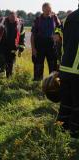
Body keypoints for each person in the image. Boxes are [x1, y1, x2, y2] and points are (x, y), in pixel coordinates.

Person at [56, 6, 79, 137]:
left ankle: (61, 130)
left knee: (65, 102)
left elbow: (57, 39)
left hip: (65, 67)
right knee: (77, 104)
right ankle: (75, 133)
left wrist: (60, 60)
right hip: (77, 71)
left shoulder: (67, 19)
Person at [31, 3, 62, 81]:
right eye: (47, 10)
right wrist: (33, 49)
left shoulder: (55, 18)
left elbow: (59, 29)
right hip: (39, 45)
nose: (49, 11)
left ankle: (52, 85)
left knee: (53, 66)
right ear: (43, 10)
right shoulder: (37, 20)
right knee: (38, 65)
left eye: (50, 9)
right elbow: (33, 36)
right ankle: (37, 84)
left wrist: (57, 35)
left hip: (51, 45)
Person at [0, 11, 26, 78]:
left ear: (16, 17)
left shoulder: (20, 24)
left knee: (10, 65)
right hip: (1, 46)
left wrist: (21, 49)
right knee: (0, 63)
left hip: (12, 48)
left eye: (14, 18)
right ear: (8, 16)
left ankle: (8, 81)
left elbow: (22, 37)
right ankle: (0, 80)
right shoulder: (2, 22)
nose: (12, 19)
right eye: (11, 17)